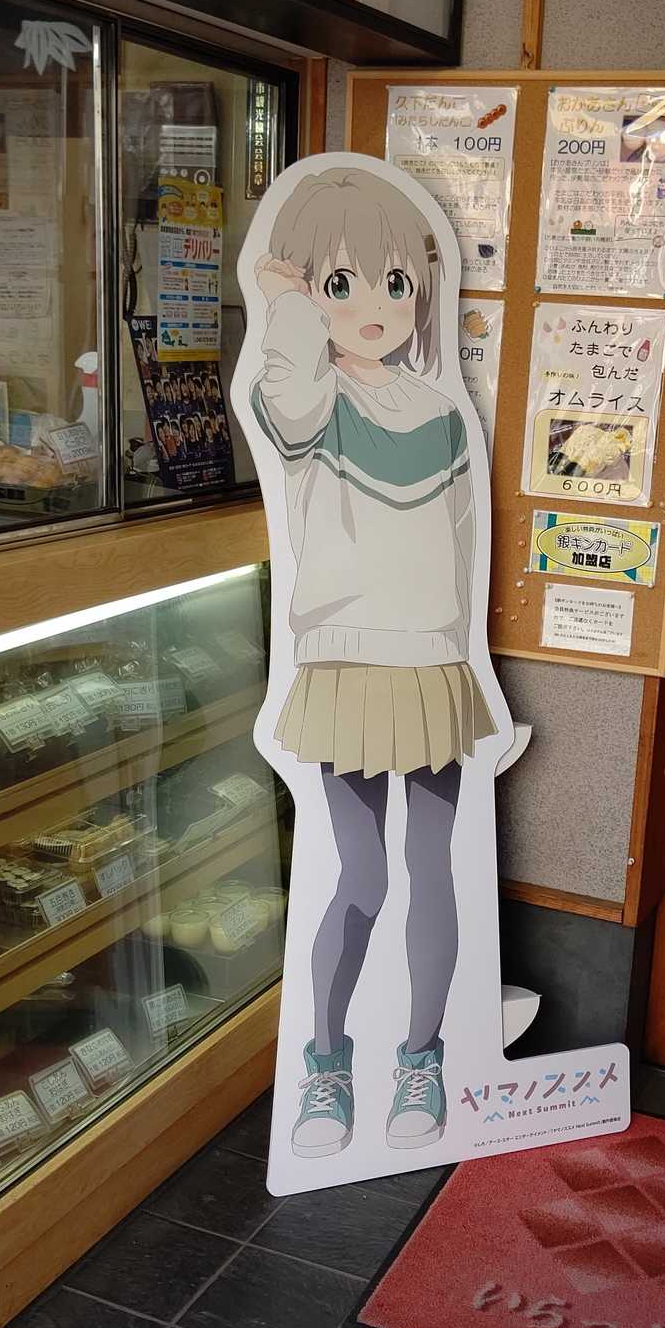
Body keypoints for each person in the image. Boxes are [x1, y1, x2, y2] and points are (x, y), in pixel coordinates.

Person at [251, 166, 497, 1160]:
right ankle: (326, 1062)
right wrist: (282, 305)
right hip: (348, 666)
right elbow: (288, 402)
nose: (374, 308)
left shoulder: (441, 413)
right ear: (308, 291)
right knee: (360, 876)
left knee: (432, 871)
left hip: (431, 667)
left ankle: (421, 1058)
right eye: (340, 283)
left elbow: (465, 546)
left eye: (395, 284)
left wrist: (464, 657)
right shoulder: (313, 405)